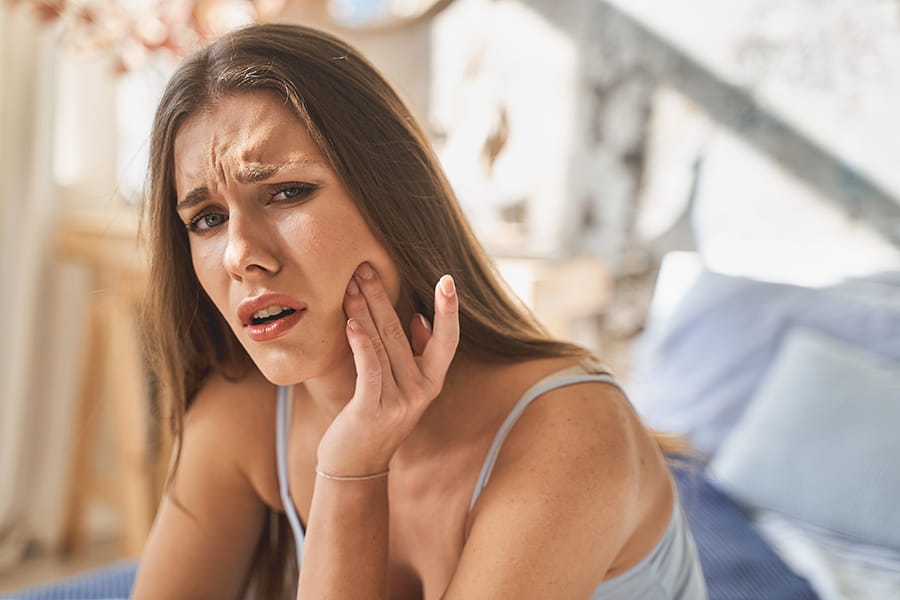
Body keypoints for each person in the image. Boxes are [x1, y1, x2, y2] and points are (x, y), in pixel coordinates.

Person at [133, 22, 707, 600]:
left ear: (392, 197)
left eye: (286, 192)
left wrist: (349, 473)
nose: (240, 255)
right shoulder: (243, 419)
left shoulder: (573, 432)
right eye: (207, 219)